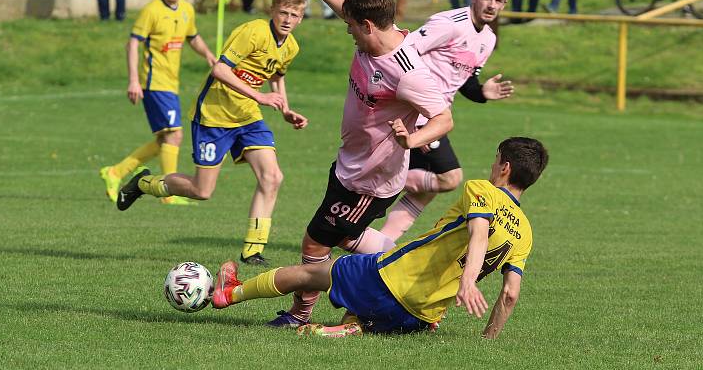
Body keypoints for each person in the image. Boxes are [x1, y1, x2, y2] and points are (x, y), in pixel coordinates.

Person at [212, 137, 549, 338]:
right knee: (367, 304)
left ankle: (230, 293)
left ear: (504, 167)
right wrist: (488, 339)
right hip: (423, 317)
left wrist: (468, 281)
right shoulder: (527, 233)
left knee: (314, 272)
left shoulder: (483, 190)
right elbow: (510, 294)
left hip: (393, 277)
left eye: (495, 160)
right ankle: (352, 327)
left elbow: (478, 235)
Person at [267, 0, 453, 327]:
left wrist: (411, 140)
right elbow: (348, 8)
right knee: (350, 238)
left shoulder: (407, 72)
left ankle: (299, 315)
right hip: (350, 165)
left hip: (369, 180)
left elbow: (443, 118)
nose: (347, 29)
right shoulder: (377, 32)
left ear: (367, 26)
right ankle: (402, 271)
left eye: (351, 25)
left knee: (315, 244)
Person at [116, 0, 309, 267]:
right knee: (201, 191)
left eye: (294, 15)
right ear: (272, 11)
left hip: (247, 117)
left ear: (301, 19)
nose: (288, 19)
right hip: (213, 117)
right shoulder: (252, 31)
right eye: (283, 12)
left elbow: (277, 76)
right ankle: (144, 183)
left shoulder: (291, 46)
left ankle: (252, 249)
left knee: (272, 177)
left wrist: (285, 108)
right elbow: (219, 69)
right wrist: (260, 96)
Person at [379, 0, 514, 243]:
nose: (491, 5)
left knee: (428, 187)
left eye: (498, 0)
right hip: (417, 113)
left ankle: (381, 245)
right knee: (450, 177)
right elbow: (405, 51)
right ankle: (373, 181)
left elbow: (465, 79)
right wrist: (415, 115)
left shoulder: (488, 38)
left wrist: (482, 93)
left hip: (435, 116)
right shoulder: (450, 23)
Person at [100, 0, 215, 207]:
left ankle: (115, 172)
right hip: (154, 83)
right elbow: (132, 44)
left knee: (166, 139)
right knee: (175, 135)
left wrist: (208, 55)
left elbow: (192, 37)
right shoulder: (151, 11)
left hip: (171, 83)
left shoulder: (186, 9)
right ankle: (168, 193)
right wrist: (134, 80)